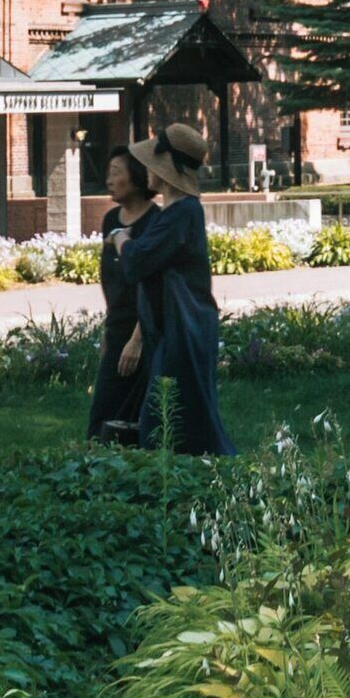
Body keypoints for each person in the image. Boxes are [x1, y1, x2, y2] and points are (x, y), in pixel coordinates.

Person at [92, 120, 232, 454]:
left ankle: (212, 479)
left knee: (178, 420)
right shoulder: (176, 211)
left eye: (153, 163)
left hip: (186, 327)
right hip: (174, 326)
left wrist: (121, 238)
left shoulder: (181, 213)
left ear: (167, 169)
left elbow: (138, 261)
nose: (146, 170)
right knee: (171, 418)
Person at [84, 146, 156, 445]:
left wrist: (137, 340)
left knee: (137, 414)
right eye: (108, 173)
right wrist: (108, 328)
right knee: (102, 414)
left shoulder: (155, 222)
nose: (109, 180)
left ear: (137, 178)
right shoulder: (111, 220)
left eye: (116, 173)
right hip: (117, 327)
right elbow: (109, 279)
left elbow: (153, 285)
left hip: (145, 331)